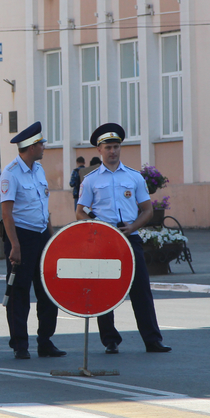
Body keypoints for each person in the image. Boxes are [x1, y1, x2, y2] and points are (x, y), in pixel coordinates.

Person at [75, 122, 171, 355]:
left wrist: (133, 226)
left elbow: (147, 210)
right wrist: (97, 226)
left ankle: (152, 340)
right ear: (99, 150)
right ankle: (110, 340)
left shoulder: (134, 177)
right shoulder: (90, 180)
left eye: (116, 146)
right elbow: (80, 212)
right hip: (103, 241)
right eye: (108, 147)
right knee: (104, 291)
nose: (112, 151)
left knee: (141, 290)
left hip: (130, 239)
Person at [0, 121, 66, 360]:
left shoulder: (38, 170)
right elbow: (7, 214)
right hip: (22, 237)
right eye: (40, 144)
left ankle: (45, 341)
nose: (43, 147)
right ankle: (20, 344)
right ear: (30, 147)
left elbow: (42, 208)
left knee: (48, 291)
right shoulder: (10, 174)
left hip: (41, 236)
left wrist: (52, 237)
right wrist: (15, 245)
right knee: (19, 292)